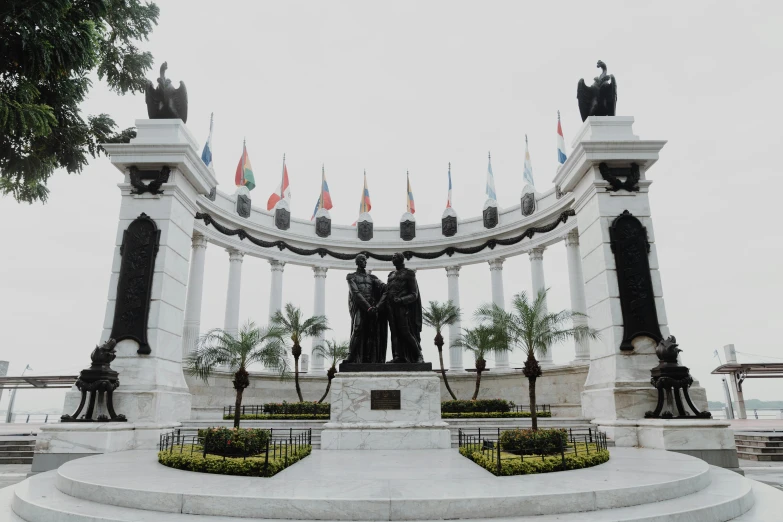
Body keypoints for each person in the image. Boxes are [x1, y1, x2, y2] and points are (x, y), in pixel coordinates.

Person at [380, 253, 424, 363]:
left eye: (395, 257)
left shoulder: (409, 273)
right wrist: (379, 305)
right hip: (390, 307)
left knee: (406, 332)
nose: (393, 259)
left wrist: (401, 300)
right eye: (392, 257)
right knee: (394, 333)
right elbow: (386, 292)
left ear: (401, 259)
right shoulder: (390, 275)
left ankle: (418, 355)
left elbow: (414, 294)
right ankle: (397, 356)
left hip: (402, 308)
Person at [344, 254, 387, 363]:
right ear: (357, 262)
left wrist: (378, 306)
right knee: (357, 329)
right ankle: (350, 355)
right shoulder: (351, 276)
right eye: (363, 260)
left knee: (371, 333)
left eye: (365, 260)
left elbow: (384, 288)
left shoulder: (372, 278)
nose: (365, 262)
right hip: (361, 307)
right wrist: (368, 308)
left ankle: (369, 358)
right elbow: (355, 293)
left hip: (372, 308)